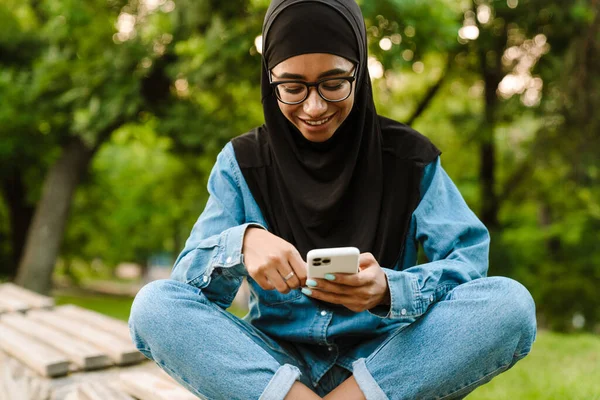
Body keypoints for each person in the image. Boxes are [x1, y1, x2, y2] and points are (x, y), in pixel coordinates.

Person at [128, 0, 537, 399]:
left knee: (510, 305)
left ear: (359, 71)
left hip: (386, 365)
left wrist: (388, 290)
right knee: (153, 306)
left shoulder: (410, 159)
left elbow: (469, 265)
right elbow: (187, 293)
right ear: (269, 80)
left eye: (334, 83)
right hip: (274, 368)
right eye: (291, 87)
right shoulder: (242, 163)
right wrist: (242, 244)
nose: (314, 106)